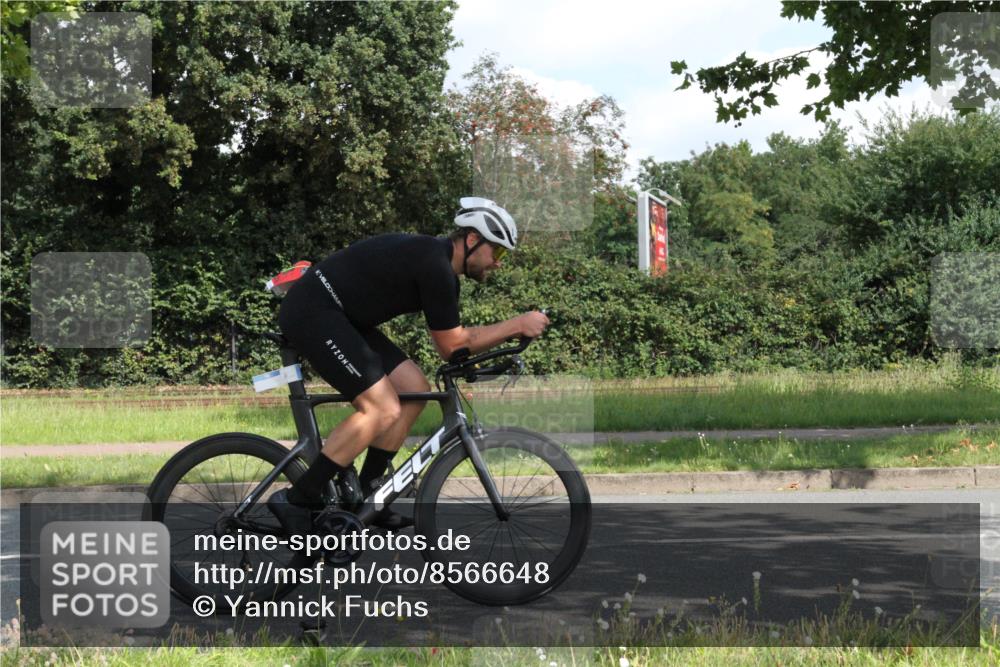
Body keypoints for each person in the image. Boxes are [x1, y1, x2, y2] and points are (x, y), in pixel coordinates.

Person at [268, 197, 549, 536]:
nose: (498, 264)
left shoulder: (441, 267)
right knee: (381, 407)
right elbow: (453, 345)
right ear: (473, 240)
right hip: (315, 310)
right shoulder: (436, 266)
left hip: (344, 318)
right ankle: (298, 498)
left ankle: (371, 495)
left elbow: (453, 346)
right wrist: (516, 324)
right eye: (498, 252)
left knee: (414, 389)